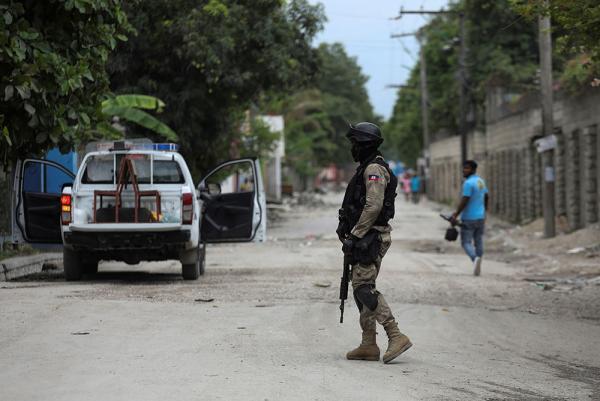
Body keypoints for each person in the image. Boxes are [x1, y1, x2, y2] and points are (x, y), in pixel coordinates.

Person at [336, 122, 412, 364]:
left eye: (355, 144)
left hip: (371, 237)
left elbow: (373, 206)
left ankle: (395, 335)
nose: (353, 149)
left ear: (364, 144)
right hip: (364, 237)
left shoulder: (374, 170)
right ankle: (368, 344)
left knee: (363, 287)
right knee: (360, 288)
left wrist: (355, 235)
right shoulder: (365, 168)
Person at [451, 160, 489, 276]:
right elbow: (486, 196)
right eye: (464, 168)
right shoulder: (480, 181)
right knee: (478, 240)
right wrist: (485, 211)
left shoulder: (468, 183)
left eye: (466, 168)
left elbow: (465, 200)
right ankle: (478, 261)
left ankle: (475, 259)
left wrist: (456, 214)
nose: (464, 170)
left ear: (473, 169)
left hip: (469, 217)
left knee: (466, 242)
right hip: (480, 217)